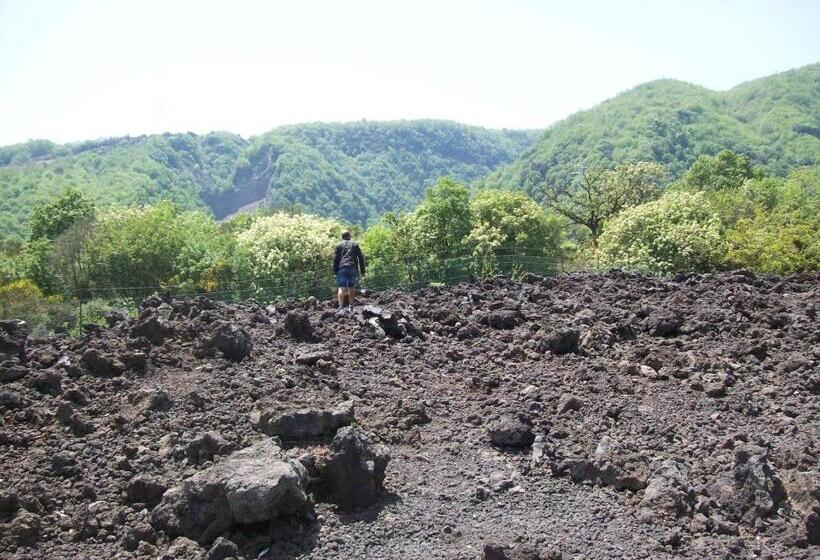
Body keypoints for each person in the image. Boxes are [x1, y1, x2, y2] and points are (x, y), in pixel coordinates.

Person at [333, 230, 366, 314]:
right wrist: (362, 271)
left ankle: (340, 307)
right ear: (350, 236)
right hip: (352, 268)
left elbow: (335, 259)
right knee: (351, 287)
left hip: (342, 268)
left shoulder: (338, 245)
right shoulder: (355, 244)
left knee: (341, 287)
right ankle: (351, 307)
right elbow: (361, 258)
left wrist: (335, 271)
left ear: (342, 237)